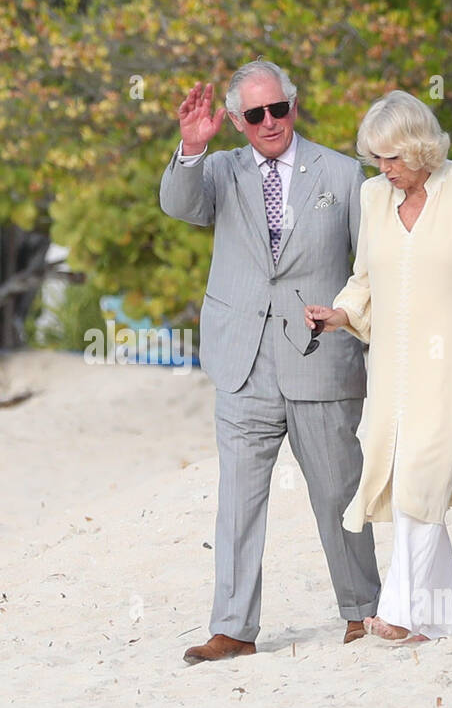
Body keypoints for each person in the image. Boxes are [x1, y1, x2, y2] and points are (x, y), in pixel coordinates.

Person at [159, 59, 380, 664]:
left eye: (277, 108)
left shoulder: (344, 172)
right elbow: (180, 206)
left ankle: (363, 610)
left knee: (339, 491)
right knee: (237, 499)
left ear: (294, 105)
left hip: (322, 357)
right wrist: (189, 148)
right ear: (235, 121)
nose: (269, 122)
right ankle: (233, 628)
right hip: (242, 361)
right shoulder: (219, 170)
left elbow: (371, 268)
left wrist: (365, 334)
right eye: (254, 114)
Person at [304, 89, 452, 642]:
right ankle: (443, 621)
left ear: (423, 148)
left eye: (394, 158)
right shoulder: (373, 197)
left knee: (418, 479)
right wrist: (339, 315)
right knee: (409, 484)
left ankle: (399, 610)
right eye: (377, 159)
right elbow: (365, 280)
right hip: (392, 371)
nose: (385, 170)